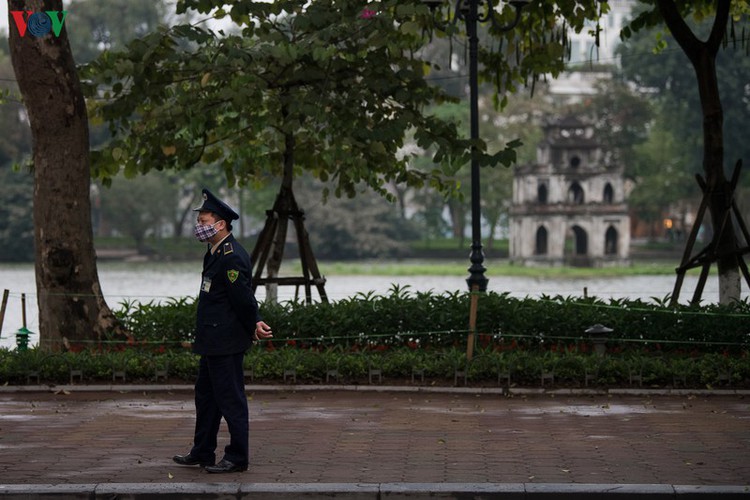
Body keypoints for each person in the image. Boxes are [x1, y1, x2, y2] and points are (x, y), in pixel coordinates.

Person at [173, 188, 273, 474]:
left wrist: (254, 323)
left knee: (231, 401)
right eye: (200, 221)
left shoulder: (231, 256)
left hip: (226, 342)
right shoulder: (214, 252)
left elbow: (242, 297)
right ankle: (202, 450)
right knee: (206, 398)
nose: (199, 227)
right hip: (212, 340)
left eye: (204, 221)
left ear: (221, 225)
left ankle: (237, 458)